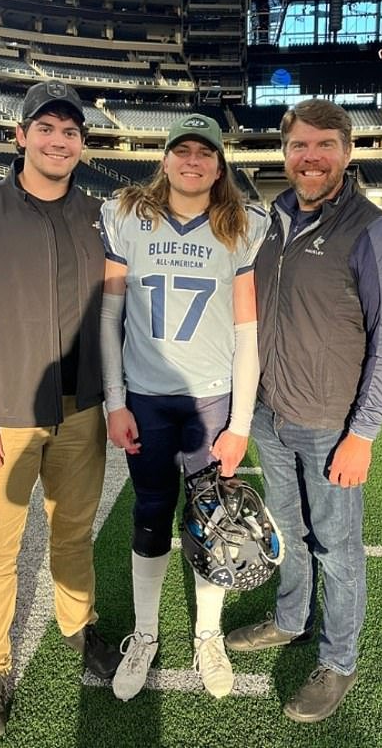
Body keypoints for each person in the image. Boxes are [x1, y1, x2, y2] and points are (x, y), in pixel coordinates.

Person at [0, 80, 121, 742]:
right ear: (21, 137)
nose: (58, 139)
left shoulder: (101, 216)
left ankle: (77, 624)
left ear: (81, 144)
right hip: (6, 415)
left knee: (73, 532)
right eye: (46, 127)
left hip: (81, 411)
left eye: (70, 130)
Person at [225, 99, 382, 723]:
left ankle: (339, 662)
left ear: (346, 153)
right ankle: (289, 620)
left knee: (338, 547)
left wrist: (363, 434)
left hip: (331, 425)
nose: (311, 158)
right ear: (286, 152)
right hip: (274, 415)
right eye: (300, 146)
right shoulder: (270, 221)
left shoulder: (372, 230)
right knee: (287, 534)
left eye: (324, 146)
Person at [99, 113, 270, 702]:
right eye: (182, 151)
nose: (192, 161)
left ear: (219, 166)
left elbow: (248, 332)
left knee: (214, 521)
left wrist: (241, 422)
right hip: (145, 398)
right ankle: (145, 634)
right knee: (149, 513)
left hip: (210, 400)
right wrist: (114, 401)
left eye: (205, 153)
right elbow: (109, 315)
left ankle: (208, 633)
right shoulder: (129, 217)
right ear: (165, 158)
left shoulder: (239, 227)